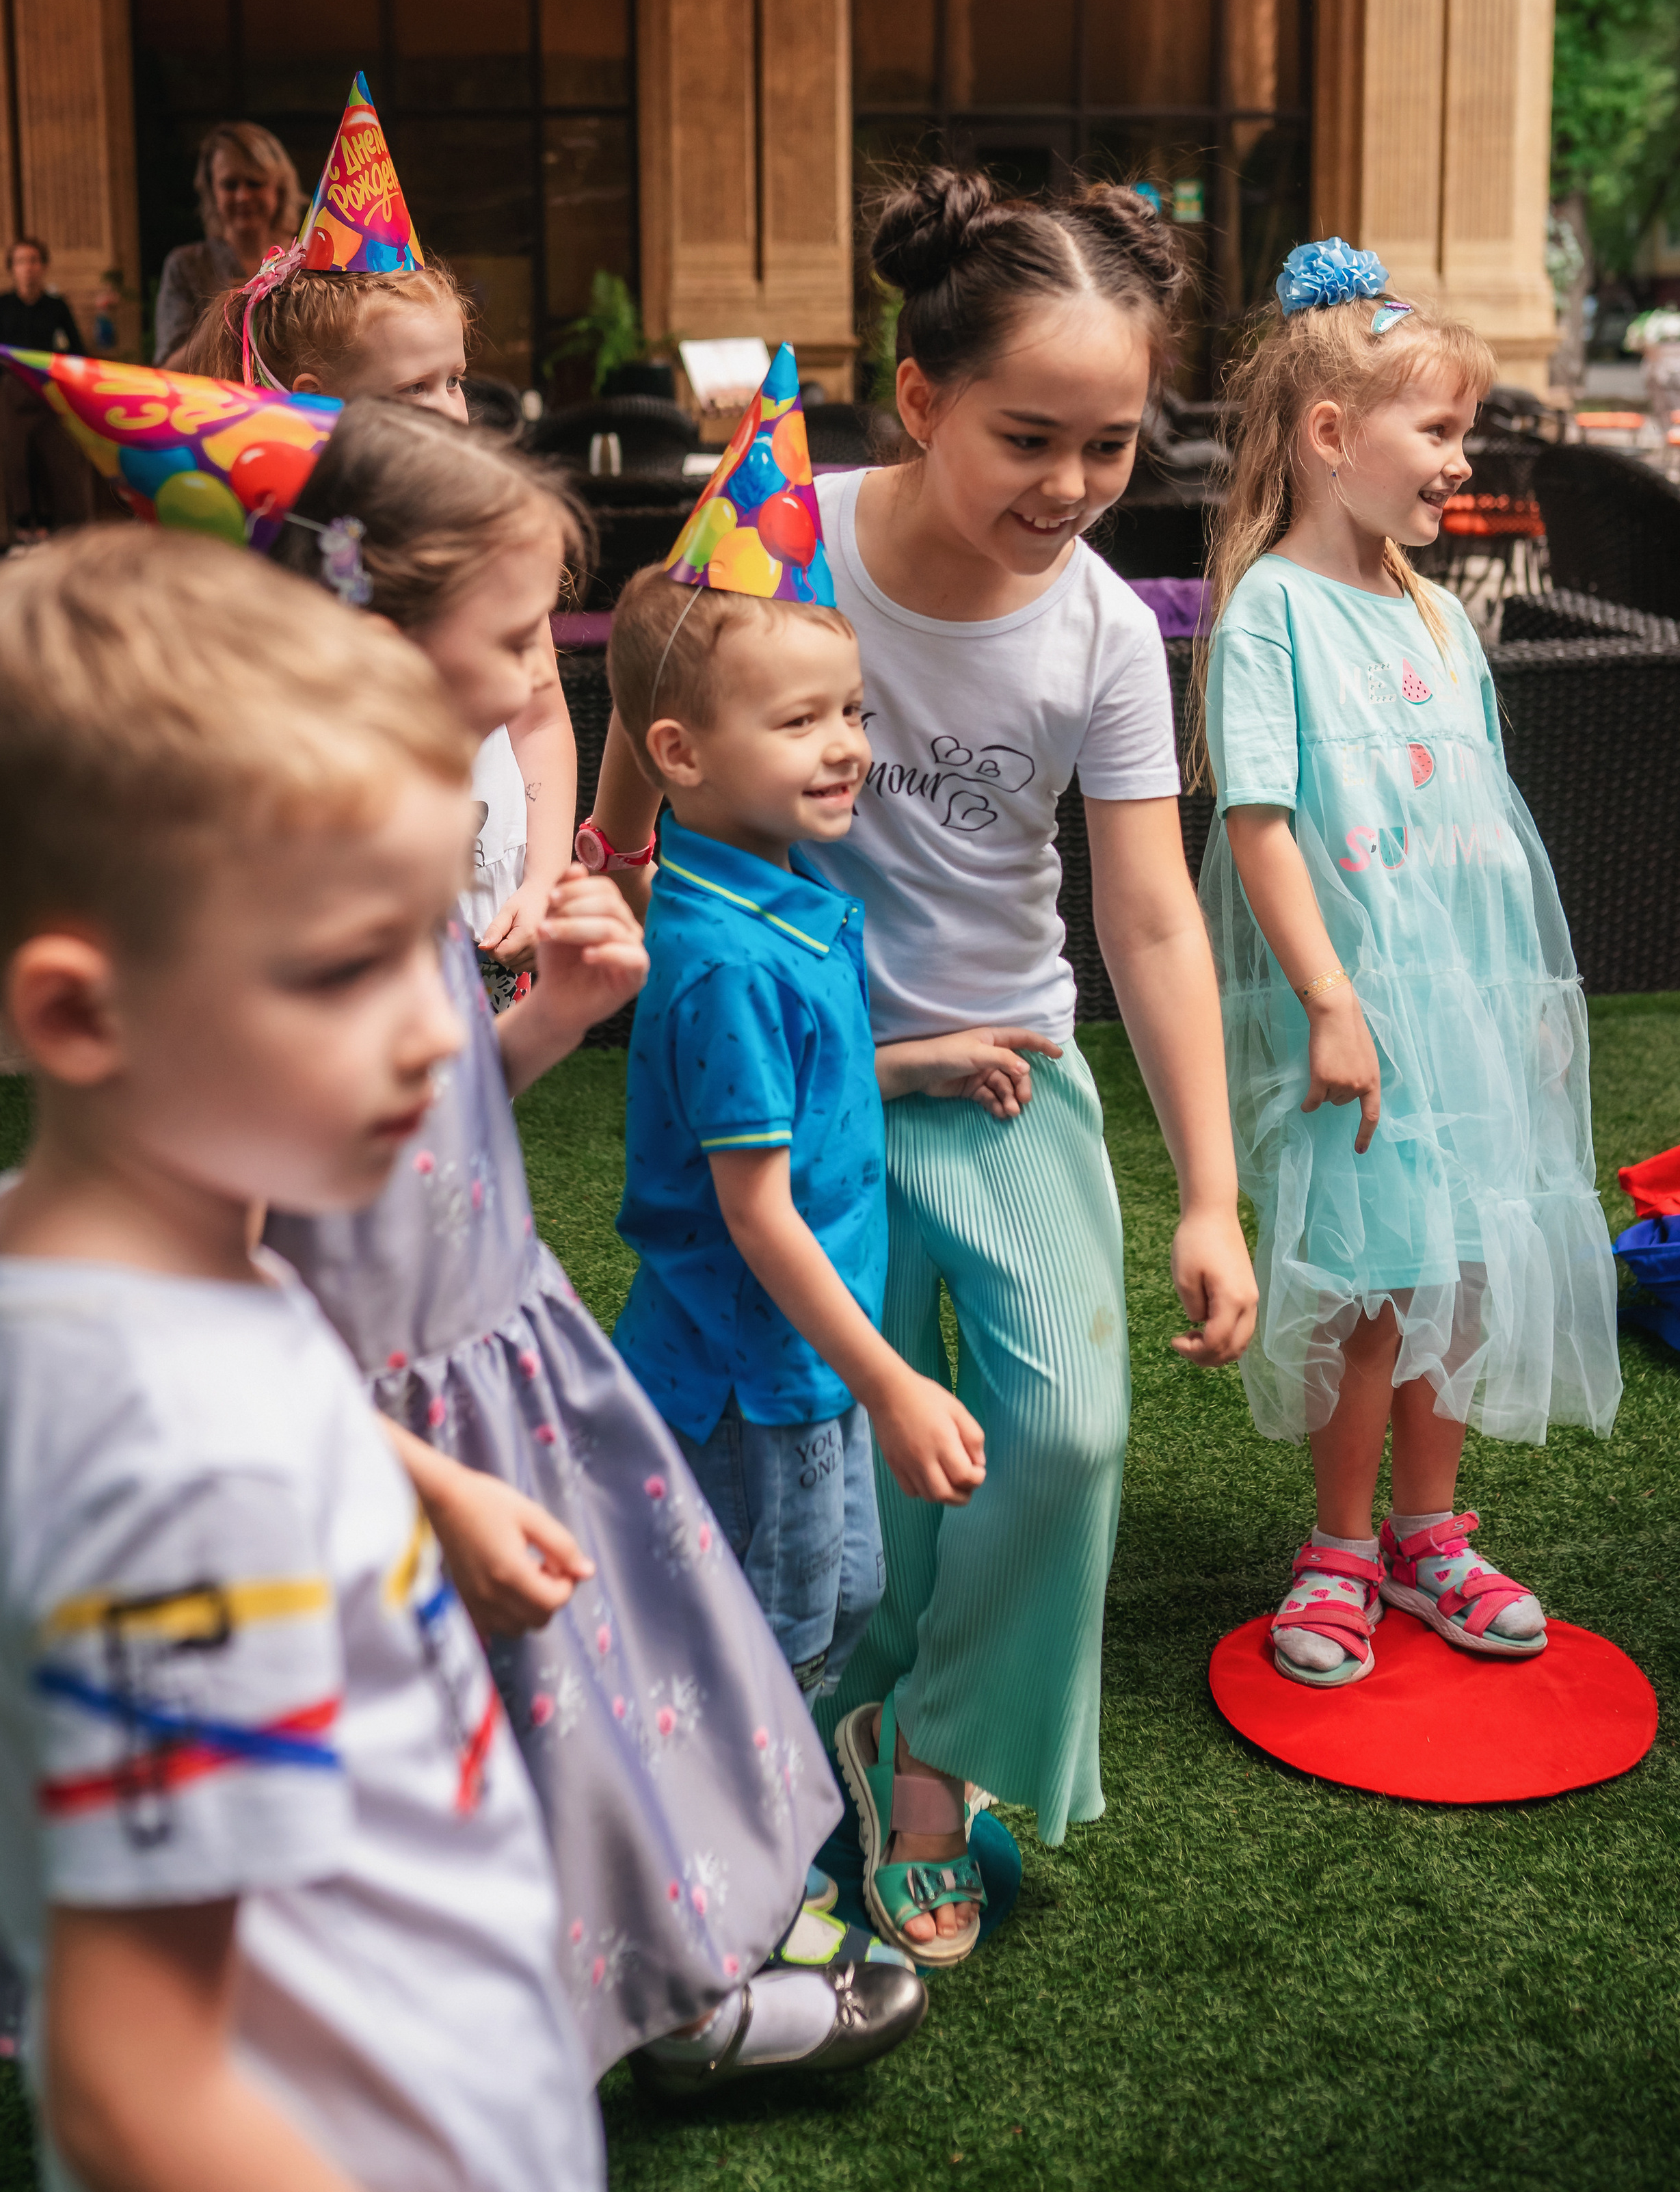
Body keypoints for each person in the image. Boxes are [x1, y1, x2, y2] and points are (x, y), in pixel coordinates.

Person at [587, 174, 1259, 1957]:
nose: (1070, 484)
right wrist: (615, 850)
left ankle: (939, 1742)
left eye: (1112, 445)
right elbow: (651, 655)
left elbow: (1153, 918)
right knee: (868, 1446)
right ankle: (869, 1757)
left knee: (1066, 1428)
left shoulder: (1109, 629)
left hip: (1013, 1068)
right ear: (922, 398)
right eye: (1030, 435)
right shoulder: (788, 540)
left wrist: (1211, 1190)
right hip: (806, 1085)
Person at [0, 526, 604, 2192]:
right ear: (83, 1016)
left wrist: (421, 1483)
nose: (438, 1025)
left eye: (424, 936)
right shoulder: (183, 1466)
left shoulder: (53, 1242)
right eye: (340, 967)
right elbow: (135, 2087)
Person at [265, 399, 924, 2090]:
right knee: (467, 1721)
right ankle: (630, 2000)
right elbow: (242, 1247)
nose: (534, 687)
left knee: (581, 1687)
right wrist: (405, 1463)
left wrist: (549, 1016)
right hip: (393, 1408)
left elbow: (418, 1127)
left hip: (499, 1349)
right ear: (372, 637)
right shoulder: (288, 910)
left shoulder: (402, 860)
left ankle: (661, 1963)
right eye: (508, 638)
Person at [1193, 240, 1621, 1688]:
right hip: (1360, 1018)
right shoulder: (1268, 615)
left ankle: (1426, 1536)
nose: (1457, 463)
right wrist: (1329, 1004)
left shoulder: (1438, 614)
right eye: (1434, 432)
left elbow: (1484, 826)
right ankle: (1334, 1544)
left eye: (1461, 434)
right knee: (1373, 1282)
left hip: (1466, 1008)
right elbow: (1257, 825)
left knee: (1465, 1264)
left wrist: (1529, 1005)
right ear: (1328, 437)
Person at [185, 77, 574, 1002]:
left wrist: (546, 876)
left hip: (496, 934)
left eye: (458, 379)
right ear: (320, 397)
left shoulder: (496, 538)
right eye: (418, 388)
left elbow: (543, 715)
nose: (454, 408)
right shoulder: (277, 568)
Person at [154, 120, 304, 368]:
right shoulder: (186, 266)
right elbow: (168, 370)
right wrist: (229, 313)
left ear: (280, 188)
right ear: (212, 192)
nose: (243, 196)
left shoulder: (305, 259)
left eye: (255, 183)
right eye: (230, 185)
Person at [0, 238, 90, 536]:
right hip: (13, 392)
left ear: (43, 266)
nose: (28, 268)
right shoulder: (1, 304)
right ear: (12, 269)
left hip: (48, 389)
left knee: (52, 457)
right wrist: (5, 382)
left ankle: (49, 524)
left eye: (33, 261)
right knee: (16, 459)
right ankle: (22, 527)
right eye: (21, 262)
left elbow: (77, 348)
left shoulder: (56, 306)